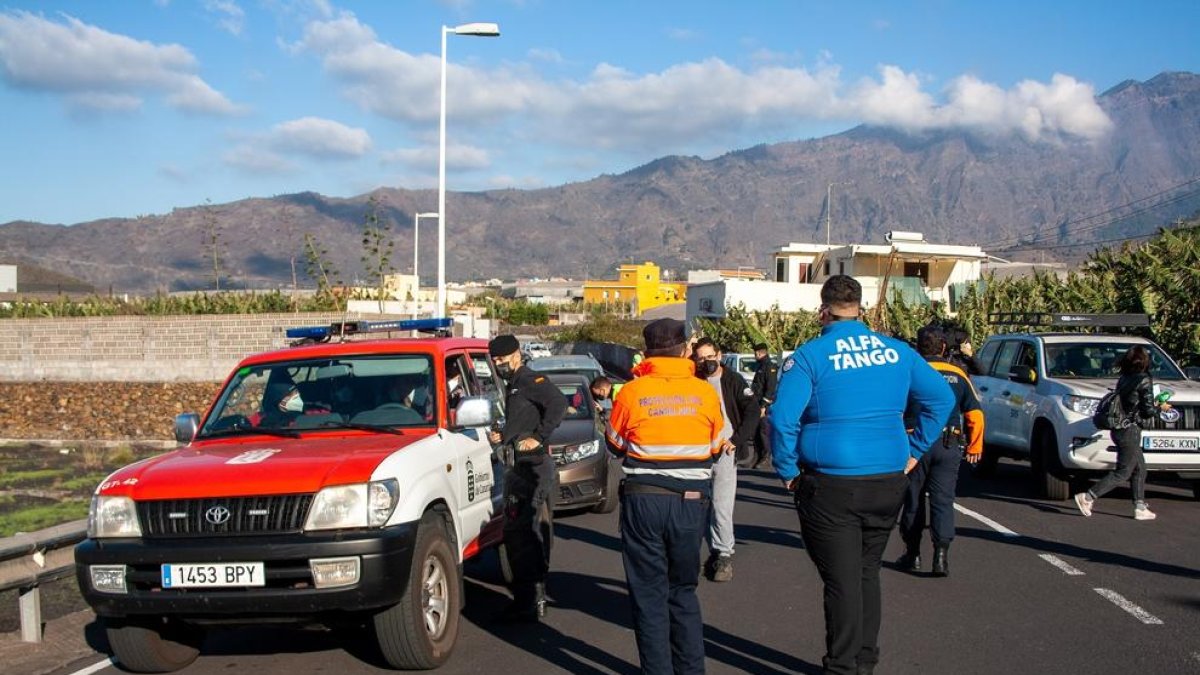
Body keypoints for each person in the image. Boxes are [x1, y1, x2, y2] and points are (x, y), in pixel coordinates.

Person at [769, 275, 954, 675]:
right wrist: (915, 449)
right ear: (861, 308)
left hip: (833, 483)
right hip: (887, 481)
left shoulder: (809, 356)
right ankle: (865, 661)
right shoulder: (897, 352)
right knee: (867, 571)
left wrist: (786, 471)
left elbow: (782, 419)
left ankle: (841, 666)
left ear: (823, 310)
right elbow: (942, 397)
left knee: (841, 581)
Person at [605, 318, 724, 674]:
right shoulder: (704, 392)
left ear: (646, 353)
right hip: (690, 502)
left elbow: (615, 444)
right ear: (685, 350)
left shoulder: (631, 391)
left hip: (644, 500)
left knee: (649, 597)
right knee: (683, 592)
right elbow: (715, 448)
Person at [486, 334, 568, 621]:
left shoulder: (530, 381)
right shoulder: (512, 386)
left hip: (533, 467)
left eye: (502, 359)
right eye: (495, 361)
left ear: (517, 354)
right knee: (518, 532)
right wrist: (503, 434)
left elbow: (558, 404)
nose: (499, 365)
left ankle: (532, 598)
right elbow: (520, 421)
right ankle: (530, 597)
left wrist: (539, 436)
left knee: (525, 532)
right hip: (517, 466)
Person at [896, 325, 985, 577]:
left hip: (915, 443)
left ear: (917, 346)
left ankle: (913, 554)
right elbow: (975, 414)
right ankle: (941, 556)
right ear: (944, 348)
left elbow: (895, 410)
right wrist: (976, 445)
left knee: (913, 499)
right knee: (943, 500)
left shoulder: (912, 372)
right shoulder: (958, 373)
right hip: (949, 444)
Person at [1073, 345, 1171, 521]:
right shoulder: (1144, 380)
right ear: (1145, 361)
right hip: (1130, 429)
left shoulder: (1124, 378)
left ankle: (1139, 506)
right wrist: (1160, 407)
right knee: (1123, 471)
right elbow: (1147, 410)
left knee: (1139, 468)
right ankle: (1087, 497)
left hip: (1120, 428)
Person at [692, 338, 758, 582]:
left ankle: (723, 555)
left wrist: (737, 440)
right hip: (697, 453)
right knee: (694, 505)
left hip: (725, 452)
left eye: (710, 357)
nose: (707, 362)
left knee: (721, 504)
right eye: (701, 358)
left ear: (718, 356)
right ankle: (690, 555)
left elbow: (752, 410)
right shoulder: (693, 381)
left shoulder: (733, 380)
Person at [749, 341, 779, 468]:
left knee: (763, 432)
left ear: (761, 352)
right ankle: (757, 456)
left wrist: (763, 406)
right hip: (756, 403)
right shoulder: (761, 366)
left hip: (763, 405)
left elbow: (770, 389)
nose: (754, 355)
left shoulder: (769, 367)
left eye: (755, 352)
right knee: (756, 432)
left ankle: (766, 457)